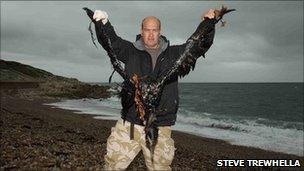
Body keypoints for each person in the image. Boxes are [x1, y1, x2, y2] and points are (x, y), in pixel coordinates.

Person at [92, 9, 216, 170]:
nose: (151, 34)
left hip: (160, 126)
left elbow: (199, 46)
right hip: (130, 124)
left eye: (154, 30)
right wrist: (103, 23)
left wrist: (208, 23)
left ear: (160, 32)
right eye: (147, 30)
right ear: (141, 31)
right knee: (112, 166)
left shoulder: (174, 54)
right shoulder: (130, 51)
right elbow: (110, 41)